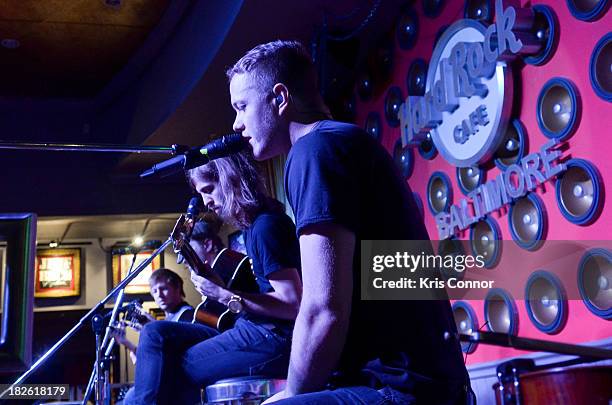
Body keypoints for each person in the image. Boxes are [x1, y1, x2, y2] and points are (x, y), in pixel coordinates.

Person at [226, 40, 472, 404]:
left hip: (403, 391)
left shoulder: (314, 151)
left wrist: (293, 394)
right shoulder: (340, 141)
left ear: (279, 99)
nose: (236, 123)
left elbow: (323, 308)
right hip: (424, 383)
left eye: (242, 107)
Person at [127, 151, 302, 405]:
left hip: (272, 336)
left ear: (230, 180)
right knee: (155, 332)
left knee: (176, 366)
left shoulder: (266, 227)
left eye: (208, 190)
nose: (205, 201)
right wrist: (214, 283)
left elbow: (294, 304)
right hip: (251, 327)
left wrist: (222, 293)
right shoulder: (253, 227)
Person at [111, 268, 195, 364]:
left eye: (164, 289)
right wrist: (125, 342)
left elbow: (178, 356)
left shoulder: (187, 315)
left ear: (177, 288)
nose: (159, 295)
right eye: (155, 291)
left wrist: (154, 327)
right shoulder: (170, 317)